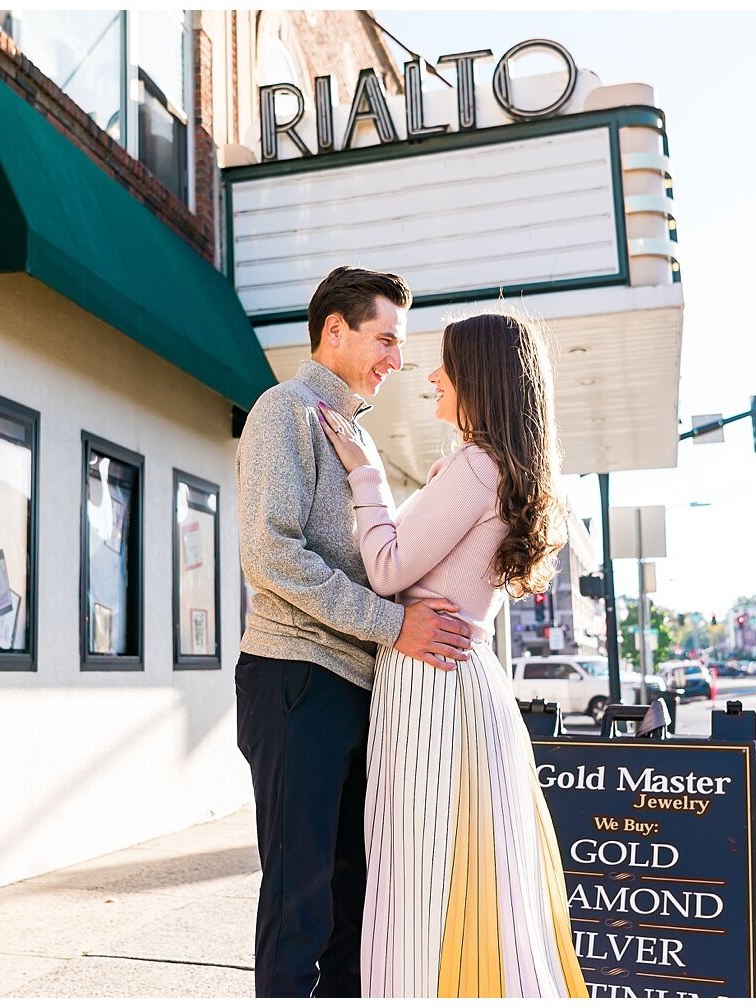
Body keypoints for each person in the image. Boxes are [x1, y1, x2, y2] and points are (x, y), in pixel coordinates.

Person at [317, 312, 587, 997]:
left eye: (447, 367)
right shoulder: (502, 470)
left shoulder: (475, 465)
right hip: (467, 686)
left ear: (482, 380)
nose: (432, 377)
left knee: (419, 873)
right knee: (473, 874)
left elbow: (387, 568)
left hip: (431, 687)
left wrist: (367, 474)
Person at [235, 266, 475, 998]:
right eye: (385, 339)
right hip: (296, 678)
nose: (395, 361)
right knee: (299, 894)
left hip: (353, 684)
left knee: (354, 901)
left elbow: (378, 561)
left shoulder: (352, 436)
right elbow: (270, 553)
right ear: (333, 331)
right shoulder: (286, 411)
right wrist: (392, 623)